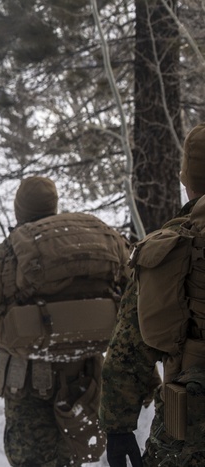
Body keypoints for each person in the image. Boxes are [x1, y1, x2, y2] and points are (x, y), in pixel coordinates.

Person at [0, 177, 128, 466]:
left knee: (32, 460)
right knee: (73, 453)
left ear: (18, 210)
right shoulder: (92, 246)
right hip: (85, 378)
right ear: (54, 205)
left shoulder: (3, 255)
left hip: (25, 381)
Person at [100, 124, 205, 467]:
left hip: (193, 426)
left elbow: (129, 349)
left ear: (187, 180)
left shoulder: (174, 244)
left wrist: (118, 428)